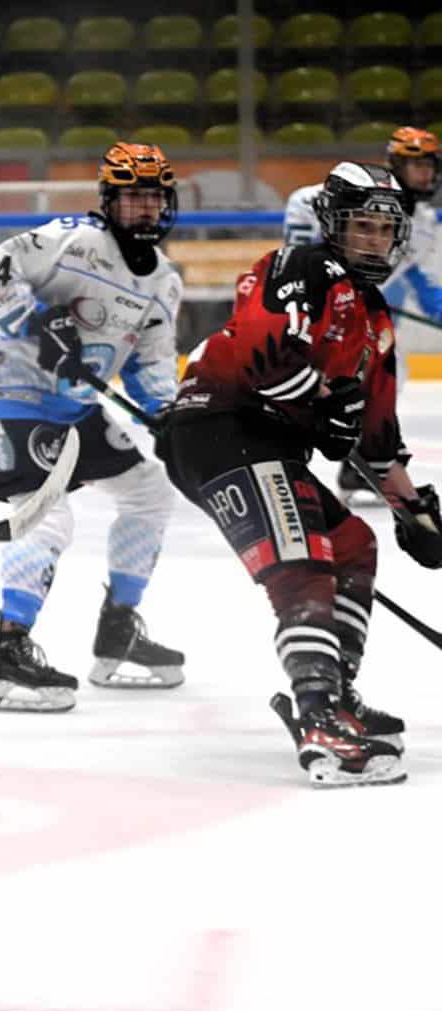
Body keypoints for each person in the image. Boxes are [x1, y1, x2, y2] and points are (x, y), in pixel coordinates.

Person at [162, 161, 442, 787]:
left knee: (353, 544)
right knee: (303, 562)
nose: (374, 241)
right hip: (222, 429)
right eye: (361, 226)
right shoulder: (301, 268)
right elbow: (264, 357)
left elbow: (375, 434)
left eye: (384, 230)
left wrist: (415, 511)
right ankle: (319, 717)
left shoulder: (375, 319)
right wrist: (324, 403)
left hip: (263, 444)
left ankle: (335, 692)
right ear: (332, 225)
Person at [0, 142, 187, 712]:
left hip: (76, 407)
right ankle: (8, 652)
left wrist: (169, 416)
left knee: (150, 493)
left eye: (154, 198)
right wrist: (38, 322)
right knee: (46, 516)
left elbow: (151, 365)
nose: (145, 208)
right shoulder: (72, 240)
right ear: (109, 201)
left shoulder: (164, 282)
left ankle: (117, 632)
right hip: (10, 393)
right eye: (133, 198)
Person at [282, 126, 442, 503]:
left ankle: (361, 463)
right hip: (319, 309)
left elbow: (423, 280)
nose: (425, 174)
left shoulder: (424, 224)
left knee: (387, 375)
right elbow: (300, 232)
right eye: (416, 165)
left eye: (430, 166)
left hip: (361, 314)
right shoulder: (341, 195)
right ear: (396, 164)